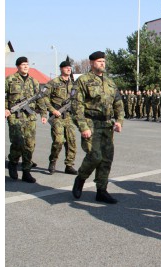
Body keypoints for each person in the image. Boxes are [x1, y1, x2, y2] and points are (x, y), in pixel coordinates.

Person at [71, 51, 124, 204]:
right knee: (95, 156)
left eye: (104, 61)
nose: (103, 63)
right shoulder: (83, 81)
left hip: (107, 125)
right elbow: (76, 106)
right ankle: (80, 178)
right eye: (100, 61)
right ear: (92, 63)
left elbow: (118, 103)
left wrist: (119, 121)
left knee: (106, 159)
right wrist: (83, 127)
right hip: (91, 124)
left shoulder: (110, 82)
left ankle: (101, 191)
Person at [5, 56, 48, 183]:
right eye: (23, 64)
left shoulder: (34, 81)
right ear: (18, 66)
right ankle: (13, 163)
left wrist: (44, 114)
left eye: (27, 64)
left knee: (30, 144)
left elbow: (40, 98)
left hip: (30, 116)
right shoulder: (10, 80)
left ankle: (26, 171)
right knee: (17, 142)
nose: (25, 66)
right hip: (15, 116)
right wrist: (5, 109)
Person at [43, 61, 78, 175]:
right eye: (66, 67)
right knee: (58, 141)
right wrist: (52, 110)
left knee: (71, 141)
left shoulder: (74, 84)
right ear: (61, 69)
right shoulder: (53, 83)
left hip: (69, 116)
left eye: (70, 67)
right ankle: (52, 161)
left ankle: (69, 165)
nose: (69, 69)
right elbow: (43, 98)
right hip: (57, 116)